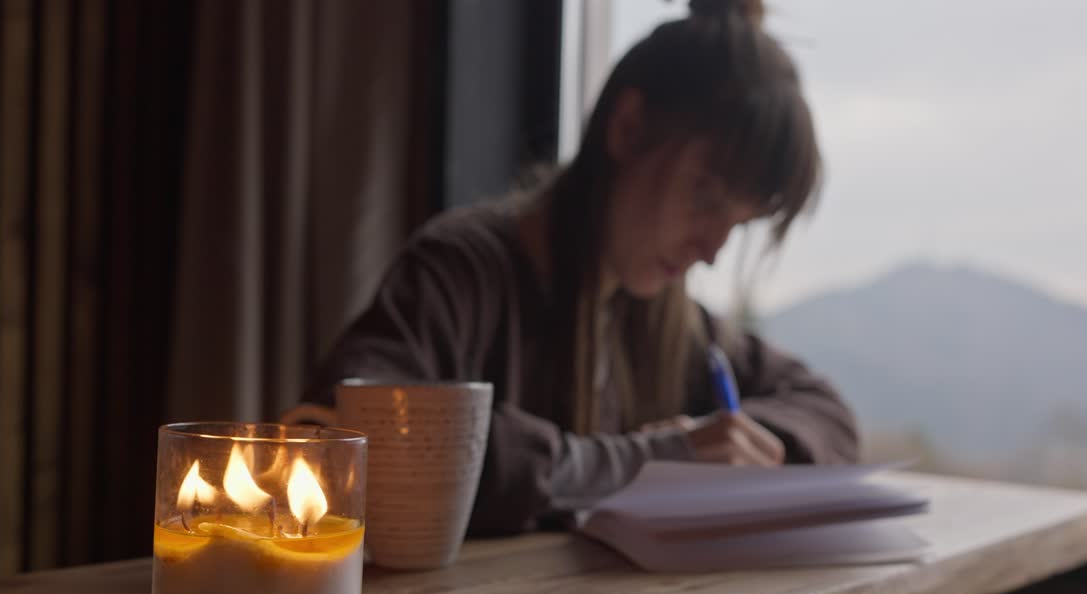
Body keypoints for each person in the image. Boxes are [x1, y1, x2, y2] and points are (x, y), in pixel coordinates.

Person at [301, 0, 858, 536]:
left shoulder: (675, 324)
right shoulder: (462, 269)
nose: (712, 250)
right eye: (706, 199)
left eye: (737, 225)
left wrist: (746, 446)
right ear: (629, 127)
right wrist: (647, 462)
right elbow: (350, 427)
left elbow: (828, 414)